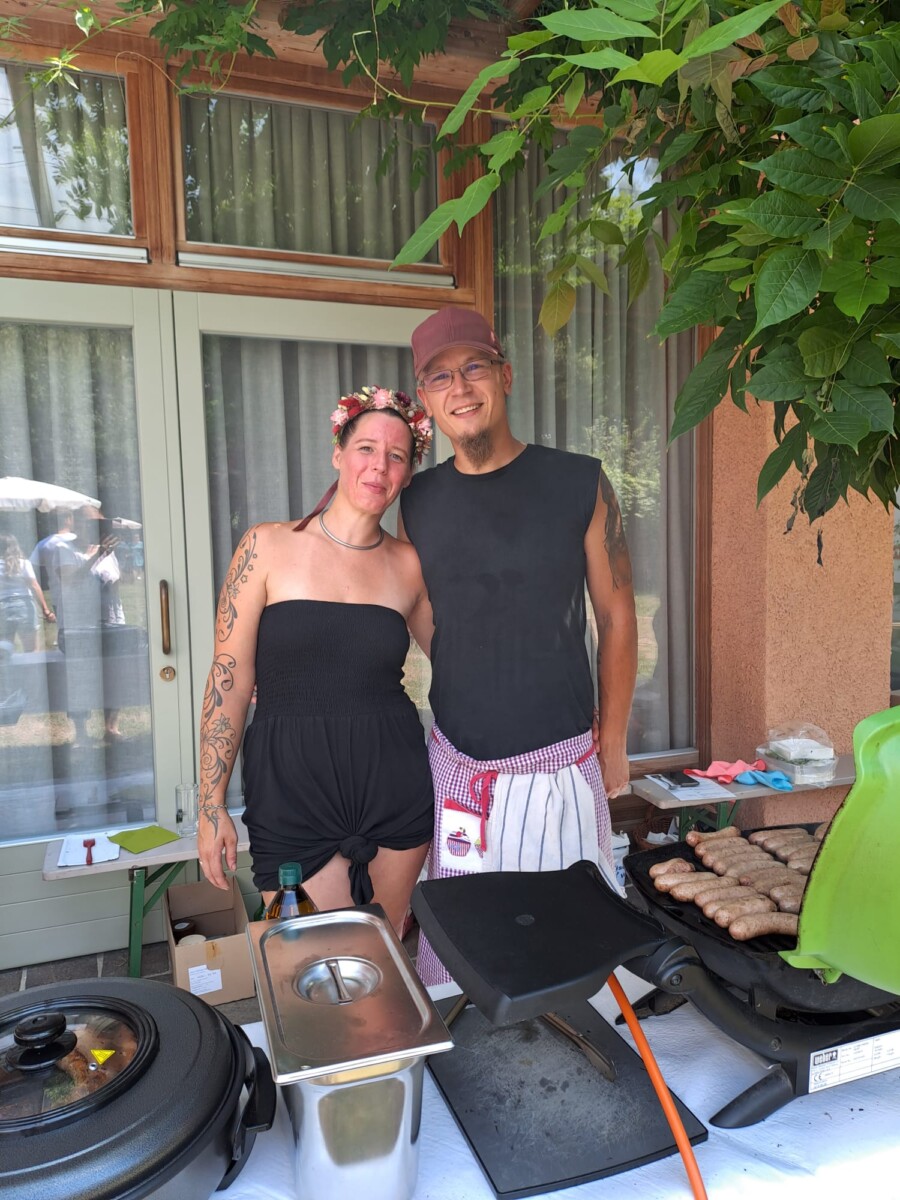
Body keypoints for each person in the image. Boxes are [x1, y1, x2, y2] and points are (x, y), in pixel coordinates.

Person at [399, 307, 639, 986]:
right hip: (460, 766)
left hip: (559, 762)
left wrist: (615, 740)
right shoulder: (417, 501)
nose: (460, 387)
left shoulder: (580, 481)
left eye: (474, 366)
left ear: (504, 376)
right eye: (441, 377)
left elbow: (618, 615)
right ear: (426, 400)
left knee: (570, 948)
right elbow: (424, 610)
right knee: (470, 954)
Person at [196, 386, 436, 935]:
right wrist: (211, 804)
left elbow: (460, 661)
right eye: (366, 449)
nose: (379, 466)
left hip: (393, 780)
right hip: (292, 786)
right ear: (338, 453)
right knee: (315, 960)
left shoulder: (410, 565)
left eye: (397, 456)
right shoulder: (265, 546)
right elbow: (229, 680)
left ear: (407, 474)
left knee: (384, 949)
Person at [0, 533, 55, 651]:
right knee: (31, 649)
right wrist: (45, 610)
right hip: (24, 605)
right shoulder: (24, 563)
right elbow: (34, 586)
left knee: (4, 650)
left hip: (2, 606)